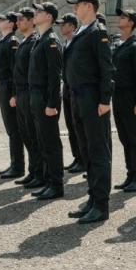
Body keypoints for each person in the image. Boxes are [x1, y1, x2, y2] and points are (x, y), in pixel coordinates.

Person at [63, 0, 115, 224]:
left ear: (89, 6)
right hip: (77, 97)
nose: (74, 8)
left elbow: (107, 69)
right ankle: (92, 198)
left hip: (93, 99)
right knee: (86, 151)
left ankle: (101, 205)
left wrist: (105, 100)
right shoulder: (82, 31)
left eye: (78, 5)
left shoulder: (98, 32)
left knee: (97, 152)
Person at [28, 2, 65, 200]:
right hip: (36, 96)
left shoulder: (51, 40)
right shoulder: (40, 39)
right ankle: (48, 181)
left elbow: (54, 76)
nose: (36, 13)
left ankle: (56, 184)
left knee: (51, 143)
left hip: (45, 98)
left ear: (49, 17)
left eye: (40, 11)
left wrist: (52, 103)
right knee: (43, 141)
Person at [112, 8, 136, 193]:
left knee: (135, 138)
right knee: (124, 137)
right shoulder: (117, 43)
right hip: (116, 96)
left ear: (132, 23)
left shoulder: (135, 46)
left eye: (124, 17)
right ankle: (130, 174)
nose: (120, 19)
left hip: (130, 97)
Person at [11, 8, 43, 189]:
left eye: (21, 19)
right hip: (22, 92)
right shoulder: (25, 41)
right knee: (26, 134)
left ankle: (39, 172)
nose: (18, 23)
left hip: (30, 92)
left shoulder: (33, 42)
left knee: (34, 135)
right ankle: (33, 171)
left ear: (31, 21)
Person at [0, 12, 23, 179]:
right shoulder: (4, 40)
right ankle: (14, 163)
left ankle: (18, 166)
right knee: (10, 127)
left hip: (8, 86)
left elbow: (15, 71)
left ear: (11, 24)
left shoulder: (12, 42)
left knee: (14, 128)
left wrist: (14, 94)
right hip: (1, 85)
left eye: (3, 19)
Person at [56, 13, 85, 173]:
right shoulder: (65, 43)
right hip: (66, 87)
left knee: (78, 126)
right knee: (70, 124)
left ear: (73, 26)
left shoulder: (76, 43)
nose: (61, 27)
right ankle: (77, 156)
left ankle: (83, 158)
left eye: (64, 24)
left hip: (75, 87)